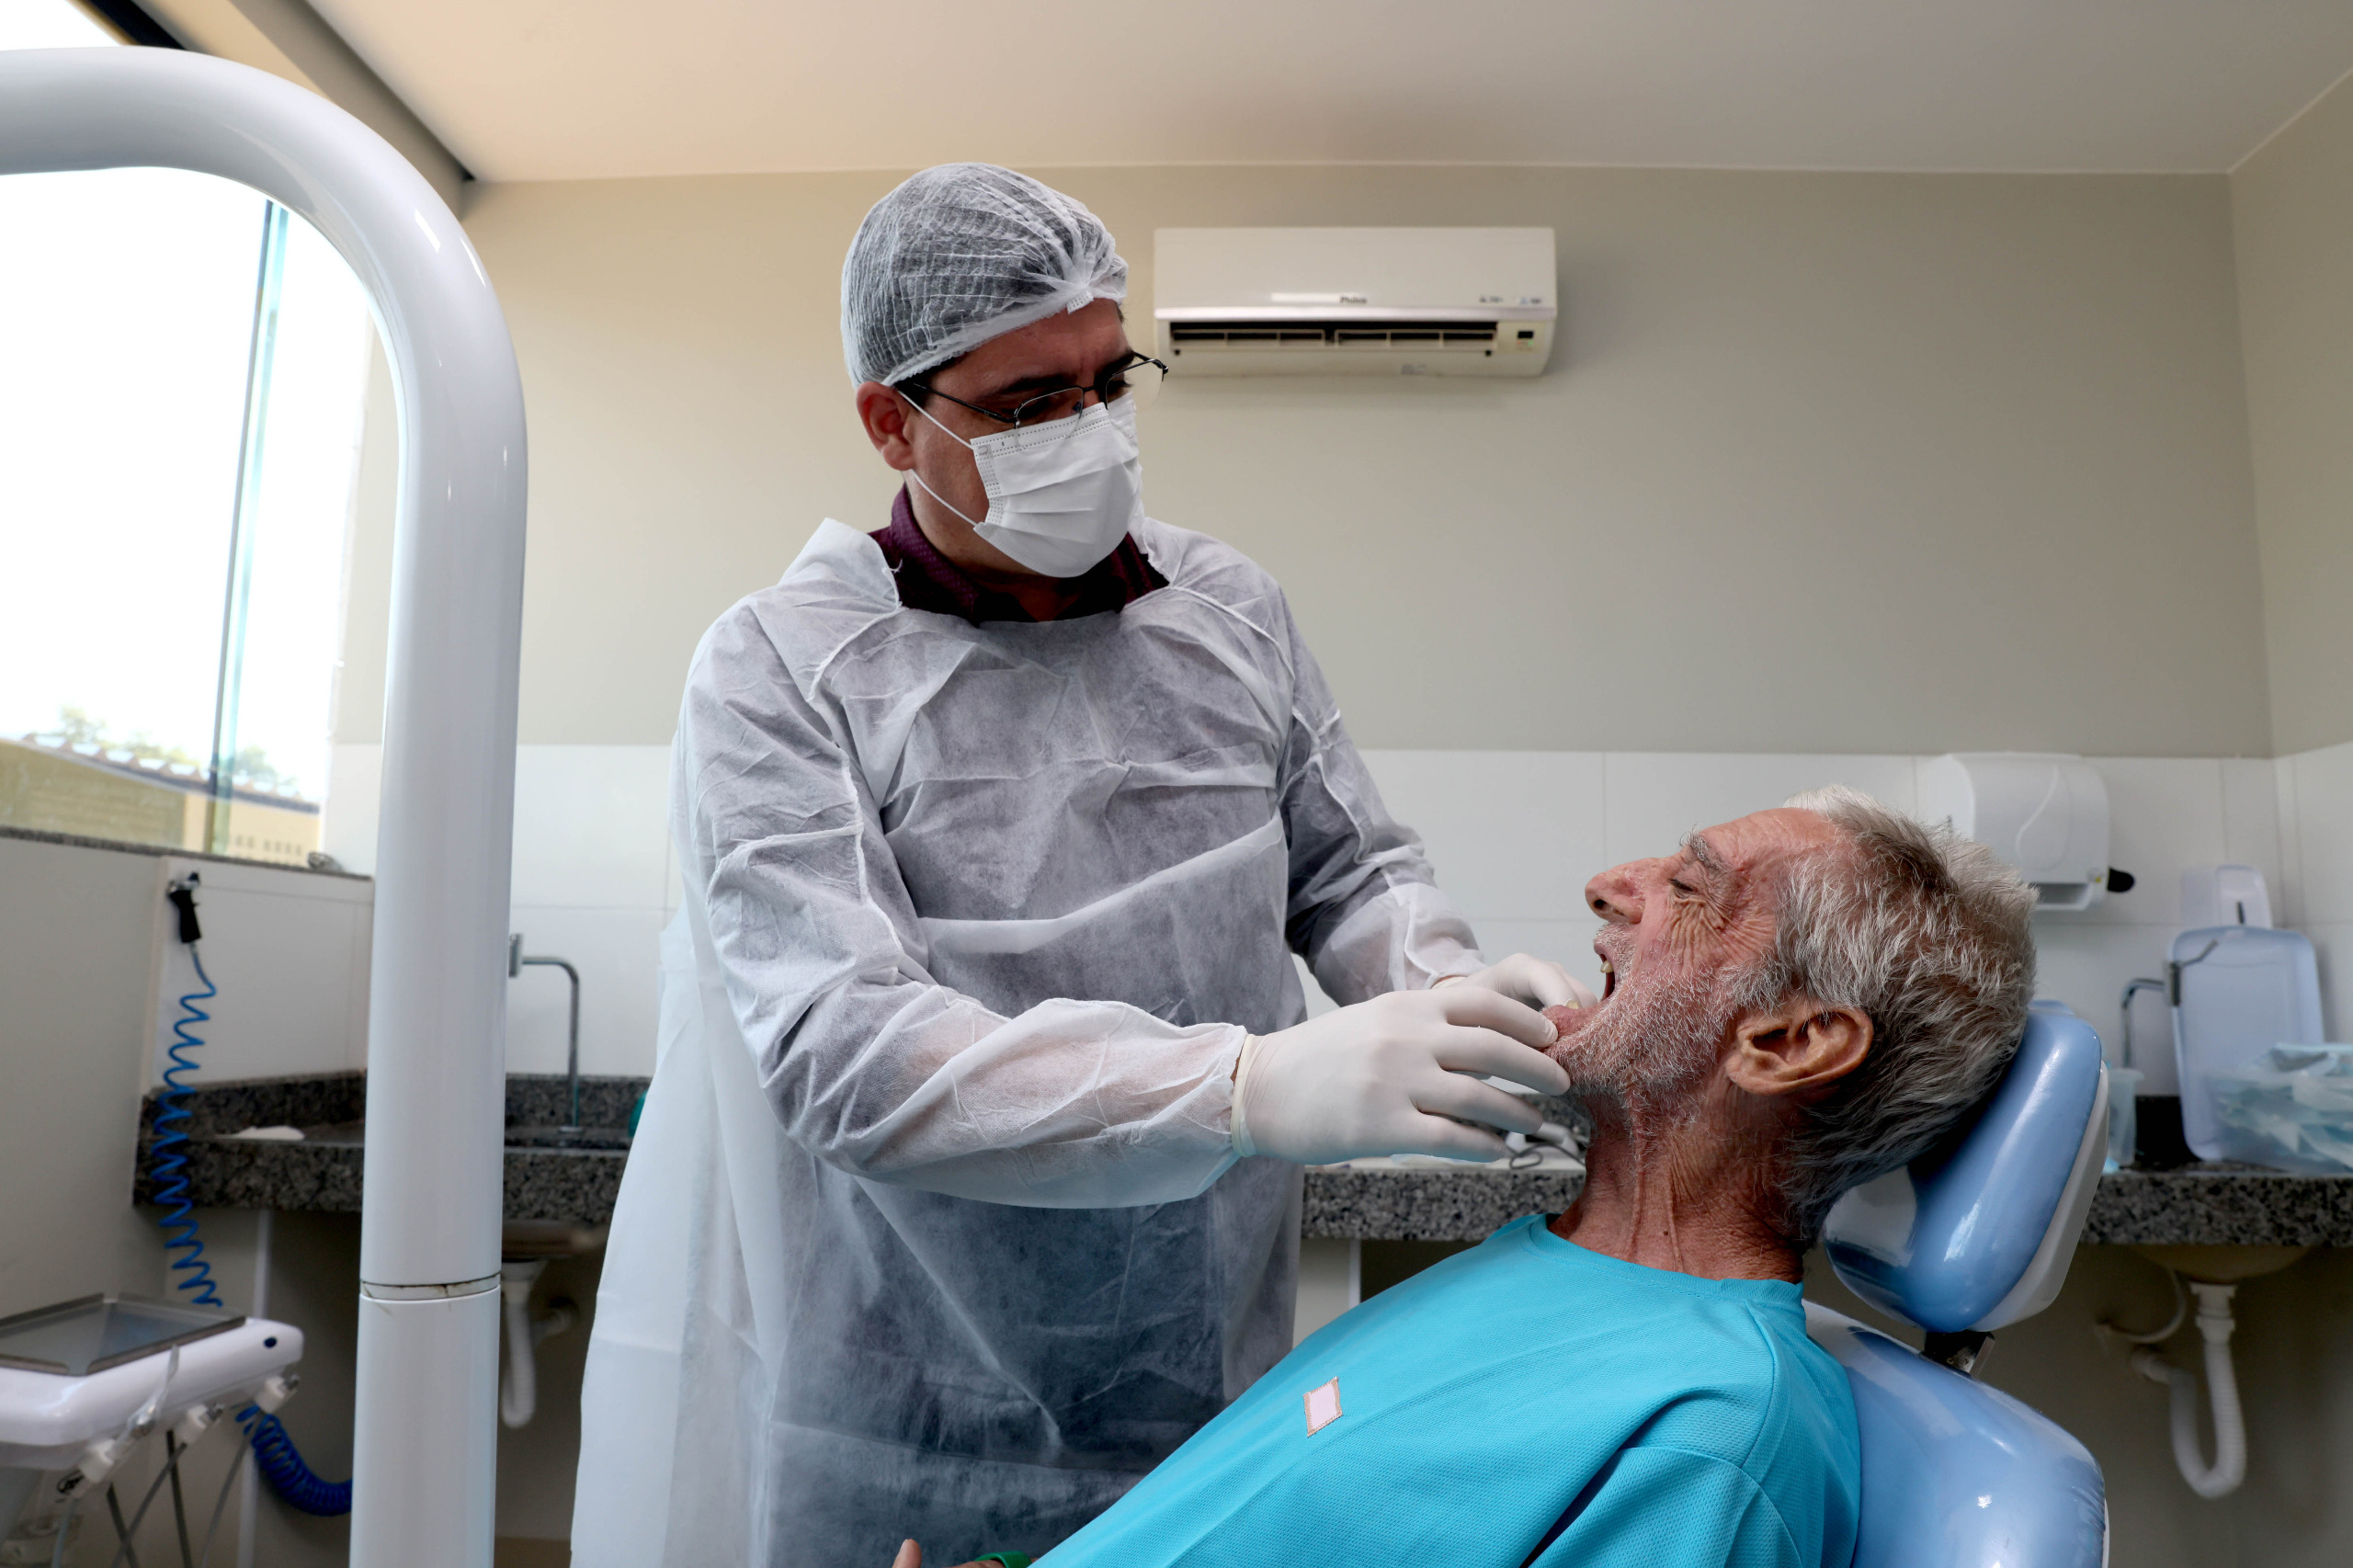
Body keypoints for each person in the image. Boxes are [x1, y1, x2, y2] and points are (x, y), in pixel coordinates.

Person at [572, 163, 1593, 1566]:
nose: (1089, 431)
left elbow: (1353, 872)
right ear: (892, 422)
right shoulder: (783, 666)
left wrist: (1448, 994)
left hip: (1203, 1359)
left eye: (1111, 382)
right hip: (904, 1402)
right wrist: (1243, 1085)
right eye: (1029, 403)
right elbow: (847, 1053)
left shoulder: (1228, 610)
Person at [887, 787, 2039, 1568]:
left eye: (1688, 890)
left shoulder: (1706, 1436)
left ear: (1785, 1042)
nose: (1607, 885)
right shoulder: (1549, 1262)